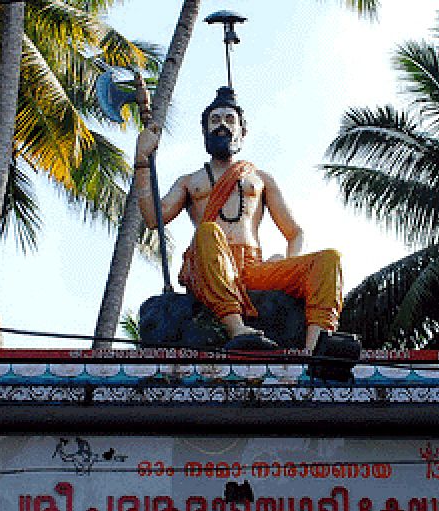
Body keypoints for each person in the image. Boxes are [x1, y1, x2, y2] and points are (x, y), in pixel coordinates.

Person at [134, 86, 343, 351]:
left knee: (328, 260)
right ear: (205, 132)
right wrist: (142, 159)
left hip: (253, 268)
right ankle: (237, 329)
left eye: (230, 120)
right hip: (211, 267)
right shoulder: (190, 182)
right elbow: (154, 217)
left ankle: (316, 346)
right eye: (215, 120)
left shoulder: (260, 178)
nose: (222, 125)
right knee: (208, 231)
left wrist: (287, 262)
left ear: (242, 132)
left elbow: (295, 233)